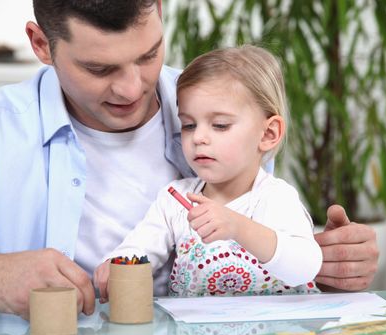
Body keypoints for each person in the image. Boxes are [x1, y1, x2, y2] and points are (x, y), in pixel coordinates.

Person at [0, 0, 378, 319]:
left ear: (159, 11)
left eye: (148, 55)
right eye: (99, 68)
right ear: (41, 44)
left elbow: (279, 263)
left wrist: (332, 265)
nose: (130, 89)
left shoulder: (225, 104)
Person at [95, 45, 322, 299]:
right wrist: (117, 263)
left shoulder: (275, 197)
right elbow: (141, 247)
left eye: (220, 125)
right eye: (189, 125)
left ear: (268, 134)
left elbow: (305, 267)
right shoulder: (176, 200)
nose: (199, 138)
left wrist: (238, 227)